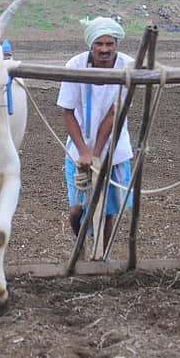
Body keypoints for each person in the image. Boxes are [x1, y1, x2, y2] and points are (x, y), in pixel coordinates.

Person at [57, 16, 134, 250]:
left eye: (109, 44)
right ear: (91, 45)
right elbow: (68, 112)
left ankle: (104, 254)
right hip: (78, 147)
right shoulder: (75, 66)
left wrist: (97, 154)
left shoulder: (129, 67)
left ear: (116, 45)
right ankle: (80, 246)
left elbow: (114, 114)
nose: (104, 49)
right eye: (99, 44)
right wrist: (84, 152)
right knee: (77, 209)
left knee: (109, 211)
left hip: (114, 148)